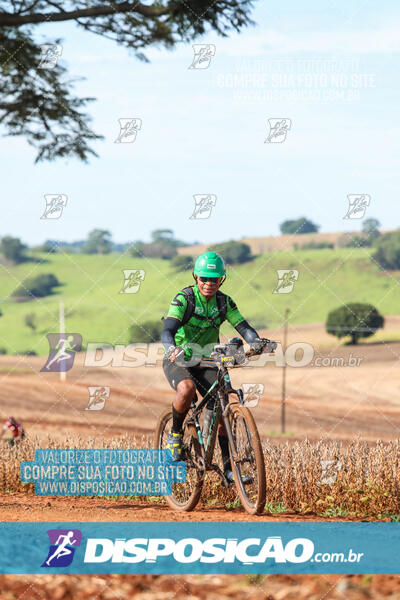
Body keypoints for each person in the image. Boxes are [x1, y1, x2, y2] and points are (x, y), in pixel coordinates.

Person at [161, 250, 269, 483]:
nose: (209, 284)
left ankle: (229, 470)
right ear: (195, 278)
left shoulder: (224, 302)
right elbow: (167, 330)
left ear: (221, 280)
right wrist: (171, 349)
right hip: (180, 358)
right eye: (204, 279)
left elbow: (244, 327)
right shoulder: (185, 299)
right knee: (187, 389)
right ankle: (176, 438)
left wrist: (256, 341)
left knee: (225, 403)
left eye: (214, 279)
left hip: (210, 359)